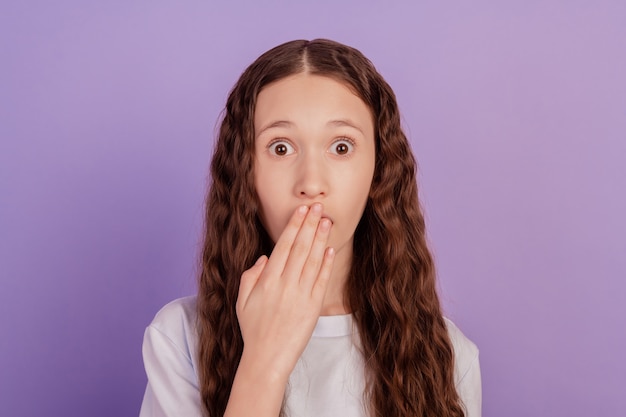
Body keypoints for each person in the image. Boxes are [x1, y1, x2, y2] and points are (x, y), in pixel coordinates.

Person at [139, 39, 481, 417]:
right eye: (281, 148)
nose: (311, 182)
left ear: (379, 170)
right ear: (245, 172)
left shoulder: (449, 356)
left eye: (341, 147)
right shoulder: (181, 338)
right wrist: (263, 362)